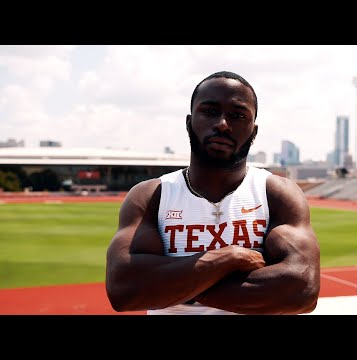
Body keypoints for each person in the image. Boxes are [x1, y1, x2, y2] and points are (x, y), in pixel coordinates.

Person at [105, 70, 320, 315]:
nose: (222, 124)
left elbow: (302, 290)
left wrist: (176, 287)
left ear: (254, 131)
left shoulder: (277, 194)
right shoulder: (151, 196)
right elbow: (123, 290)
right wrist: (228, 258)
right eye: (209, 111)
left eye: (238, 115)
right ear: (189, 123)